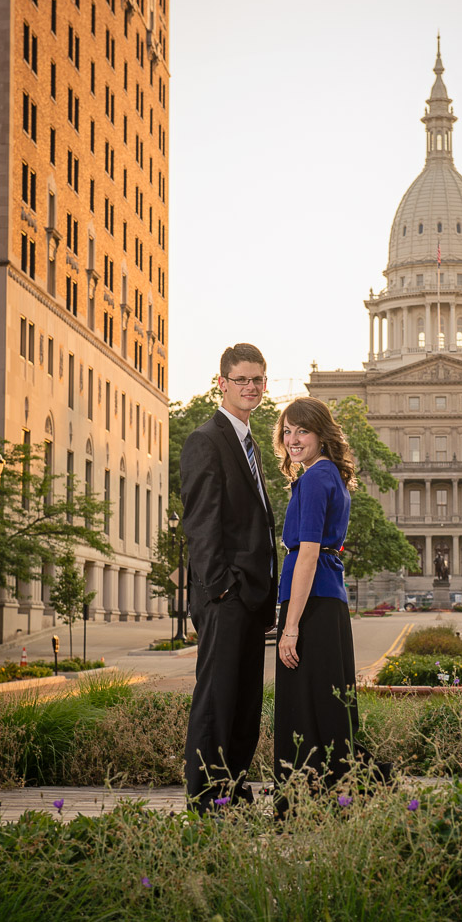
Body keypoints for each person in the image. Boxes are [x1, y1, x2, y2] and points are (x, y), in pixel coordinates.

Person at [273, 397, 390, 803]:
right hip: (328, 599)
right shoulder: (330, 476)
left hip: (311, 602)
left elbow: (306, 552)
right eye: (287, 431)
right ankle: (337, 796)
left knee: (303, 708)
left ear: (321, 434)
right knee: (328, 704)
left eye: (302, 431)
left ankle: (306, 803)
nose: (293, 439)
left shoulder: (315, 478)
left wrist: (290, 627)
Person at [180, 343, 277, 812]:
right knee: (217, 701)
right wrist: (222, 588)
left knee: (244, 707)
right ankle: (205, 798)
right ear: (222, 383)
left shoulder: (249, 441)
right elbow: (201, 523)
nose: (251, 388)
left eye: (258, 380)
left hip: (250, 599)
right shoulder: (207, 439)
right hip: (226, 597)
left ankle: (232, 791)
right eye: (242, 380)